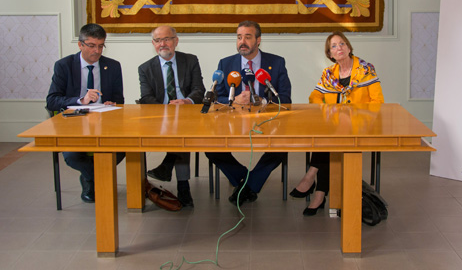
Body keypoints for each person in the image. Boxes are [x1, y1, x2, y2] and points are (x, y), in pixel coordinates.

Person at [290, 31, 384, 215]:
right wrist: (327, 109)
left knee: (327, 139)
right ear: (330, 54)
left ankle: (312, 177)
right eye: (333, 46)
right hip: (335, 125)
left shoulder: (366, 70)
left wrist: (355, 114)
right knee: (329, 138)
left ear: (348, 48)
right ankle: (319, 192)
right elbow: (314, 96)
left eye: (341, 44)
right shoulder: (328, 74)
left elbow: (377, 101)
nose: (338, 48)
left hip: (360, 124)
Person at [206, 20, 292, 206]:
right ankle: (248, 181)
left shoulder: (276, 63)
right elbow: (217, 97)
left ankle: (247, 185)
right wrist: (234, 100)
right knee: (210, 147)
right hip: (233, 120)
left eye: (247, 37)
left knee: (281, 146)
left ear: (258, 40)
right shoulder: (226, 63)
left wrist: (261, 100)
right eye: (239, 37)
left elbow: (285, 98)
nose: (242, 41)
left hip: (266, 120)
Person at [46, 23, 125, 203]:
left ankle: (90, 177)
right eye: (91, 45)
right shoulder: (64, 66)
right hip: (73, 124)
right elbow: (51, 100)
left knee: (123, 149)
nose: (96, 51)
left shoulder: (112, 66)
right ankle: (93, 178)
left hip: (104, 123)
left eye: (100, 46)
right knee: (73, 155)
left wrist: (112, 103)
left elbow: (119, 100)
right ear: (80, 45)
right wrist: (81, 100)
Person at [138, 25, 205, 207]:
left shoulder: (190, 61)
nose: (162, 44)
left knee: (182, 131)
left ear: (176, 41)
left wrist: (187, 102)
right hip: (161, 116)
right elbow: (146, 97)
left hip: (188, 113)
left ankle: (172, 173)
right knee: (180, 135)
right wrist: (166, 109)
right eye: (158, 41)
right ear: (153, 44)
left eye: (166, 39)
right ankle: (182, 185)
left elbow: (199, 90)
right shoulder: (145, 68)